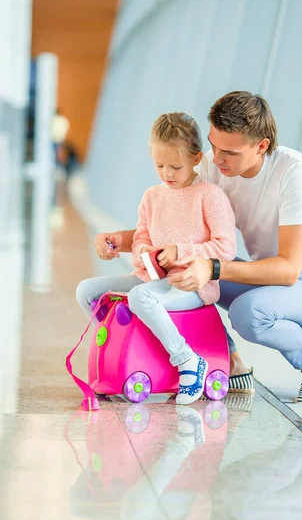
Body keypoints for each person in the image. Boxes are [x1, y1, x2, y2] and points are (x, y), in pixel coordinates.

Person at [91, 92, 302, 404]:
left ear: (261, 146)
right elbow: (176, 229)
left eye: (228, 151)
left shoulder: (295, 175)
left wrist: (212, 267)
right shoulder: (218, 167)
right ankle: (229, 359)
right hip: (269, 278)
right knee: (186, 274)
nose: (216, 159)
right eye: (213, 146)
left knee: (247, 312)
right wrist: (121, 241)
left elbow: (288, 270)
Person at [76, 112, 236, 404]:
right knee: (87, 290)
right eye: (159, 165)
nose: (167, 173)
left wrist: (181, 251)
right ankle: (120, 344)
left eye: (175, 166)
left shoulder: (209, 196)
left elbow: (226, 248)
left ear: (197, 158)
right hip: (150, 278)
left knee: (141, 298)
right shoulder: (152, 197)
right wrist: (143, 253)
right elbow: (141, 238)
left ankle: (187, 360)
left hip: (191, 285)